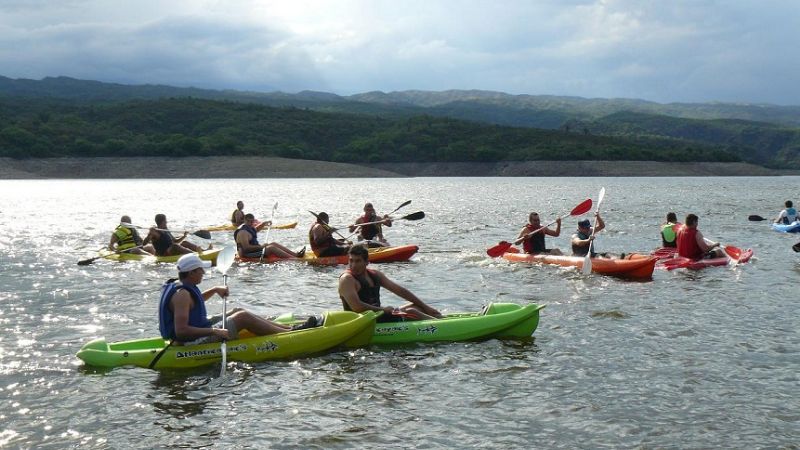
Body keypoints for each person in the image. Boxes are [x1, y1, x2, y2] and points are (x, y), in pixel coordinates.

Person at [158, 254, 316, 345]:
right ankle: (289, 335)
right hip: (189, 342)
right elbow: (182, 332)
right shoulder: (182, 295)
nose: (203, 273)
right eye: (200, 270)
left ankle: (288, 329)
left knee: (238, 311)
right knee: (242, 318)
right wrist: (214, 330)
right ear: (191, 272)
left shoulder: (182, 286)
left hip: (198, 330)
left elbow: (193, 304)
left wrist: (214, 290)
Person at [338, 245, 442, 322]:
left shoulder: (375, 275)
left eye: (358, 261)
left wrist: (426, 307)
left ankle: (438, 319)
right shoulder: (347, 279)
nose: (353, 265)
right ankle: (439, 325)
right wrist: (383, 310)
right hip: (360, 322)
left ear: (367, 262)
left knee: (417, 306)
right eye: (351, 261)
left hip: (378, 316)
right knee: (412, 311)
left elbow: (401, 291)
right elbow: (357, 307)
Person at [234, 213, 304, 259]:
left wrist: (264, 223)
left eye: (252, 221)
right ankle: (294, 259)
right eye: (248, 221)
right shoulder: (242, 232)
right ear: (244, 220)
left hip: (254, 250)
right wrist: (261, 246)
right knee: (271, 248)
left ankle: (296, 255)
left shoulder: (249, 227)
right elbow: (246, 248)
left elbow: (255, 231)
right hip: (248, 254)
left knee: (273, 243)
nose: (250, 223)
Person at [142, 213, 208, 257]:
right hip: (163, 254)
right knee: (174, 246)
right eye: (165, 220)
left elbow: (175, 241)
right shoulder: (155, 232)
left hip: (172, 249)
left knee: (184, 243)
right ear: (162, 221)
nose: (166, 222)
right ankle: (195, 255)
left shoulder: (166, 229)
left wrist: (184, 236)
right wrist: (149, 235)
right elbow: (144, 243)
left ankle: (204, 251)